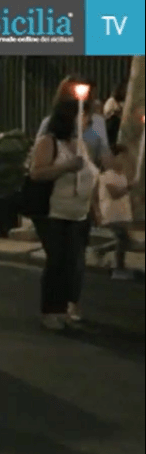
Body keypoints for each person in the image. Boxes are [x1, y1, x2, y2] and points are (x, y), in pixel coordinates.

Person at [28, 96, 97, 331]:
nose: (87, 120)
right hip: (54, 213)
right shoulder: (48, 142)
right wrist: (66, 167)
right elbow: (37, 173)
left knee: (72, 264)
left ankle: (65, 309)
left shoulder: (80, 143)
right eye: (83, 115)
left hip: (79, 214)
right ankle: (50, 311)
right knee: (57, 262)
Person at [94, 143, 135, 280]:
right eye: (124, 157)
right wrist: (129, 187)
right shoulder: (107, 175)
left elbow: (124, 196)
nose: (126, 160)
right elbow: (115, 194)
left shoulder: (122, 175)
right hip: (112, 215)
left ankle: (100, 250)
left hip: (122, 215)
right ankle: (119, 268)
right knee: (123, 240)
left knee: (125, 241)